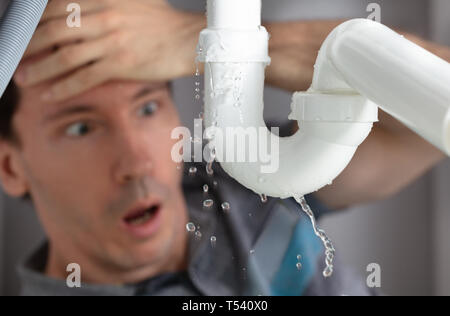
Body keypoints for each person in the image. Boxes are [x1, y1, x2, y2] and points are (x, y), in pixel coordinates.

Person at [0, 0, 448, 295]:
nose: (137, 162)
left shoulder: (243, 172)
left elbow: (434, 109)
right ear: (8, 166)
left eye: (148, 107)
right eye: (81, 128)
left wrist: (202, 40)